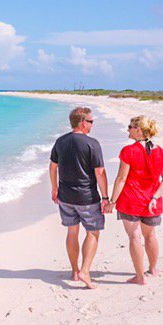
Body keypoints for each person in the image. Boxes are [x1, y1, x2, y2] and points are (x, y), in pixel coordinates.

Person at [49, 106, 110, 289]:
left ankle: (75, 271)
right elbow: (99, 172)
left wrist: (54, 188)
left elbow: (53, 167)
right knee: (92, 231)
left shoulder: (60, 141)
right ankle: (84, 270)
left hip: (65, 196)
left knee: (72, 232)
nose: (92, 125)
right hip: (87, 197)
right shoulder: (92, 143)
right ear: (82, 123)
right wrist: (105, 197)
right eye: (91, 121)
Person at [110, 115, 163, 285]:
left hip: (130, 201)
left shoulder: (128, 151)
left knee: (135, 237)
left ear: (138, 130)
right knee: (150, 235)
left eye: (130, 127)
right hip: (152, 203)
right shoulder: (160, 152)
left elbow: (121, 179)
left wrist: (111, 201)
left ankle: (139, 277)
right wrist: (155, 197)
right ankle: (153, 269)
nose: (127, 130)